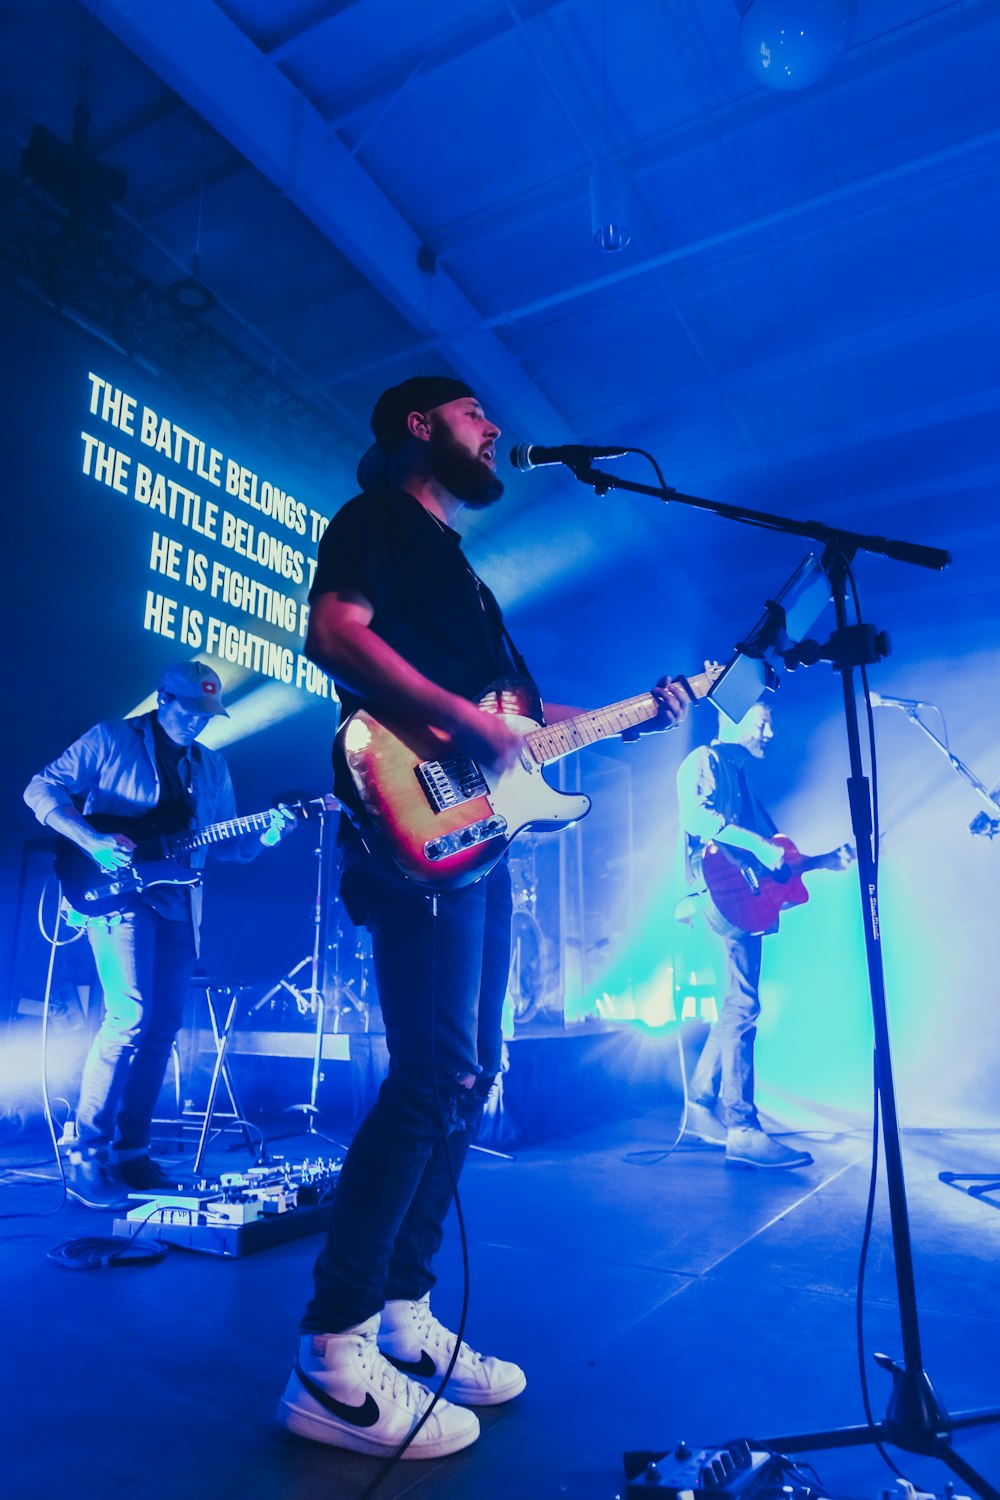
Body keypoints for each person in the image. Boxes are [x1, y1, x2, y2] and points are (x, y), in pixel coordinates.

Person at [280, 374, 690, 1461]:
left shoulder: (462, 573)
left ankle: (403, 1316)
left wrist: (629, 715)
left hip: (478, 839)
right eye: (474, 416)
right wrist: (466, 721)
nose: (496, 430)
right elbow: (333, 633)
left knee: (469, 1077)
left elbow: (515, 721)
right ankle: (332, 1351)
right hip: (410, 827)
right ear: (421, 426)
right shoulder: (376, 522)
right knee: (426, 1077)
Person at [24, 660, 294, 1210]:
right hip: (115, 893)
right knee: (129, 1015)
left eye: (207, 715)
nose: (198, 723)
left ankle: (132, 1151)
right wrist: (92, 840)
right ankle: (86, 1151)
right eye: (190, 711)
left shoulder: (211, 768)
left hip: (178, 903)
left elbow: (228, 846)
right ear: (163, 699)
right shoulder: (111, 738)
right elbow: (40, 788)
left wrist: (267, 835)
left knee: (163, 1026)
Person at [675, 700, 846, 1169]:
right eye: (761, 723)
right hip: (715, 898)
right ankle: (742, 1128)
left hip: (735, 900)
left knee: (736, 1004)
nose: (770, 733)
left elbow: (773, 859)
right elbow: (697, 817)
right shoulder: (704, 761)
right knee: (744, 1005)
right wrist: (755, 845)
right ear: (730, 720)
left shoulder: (740, 778)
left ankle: (699, 1104)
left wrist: (823, 861)